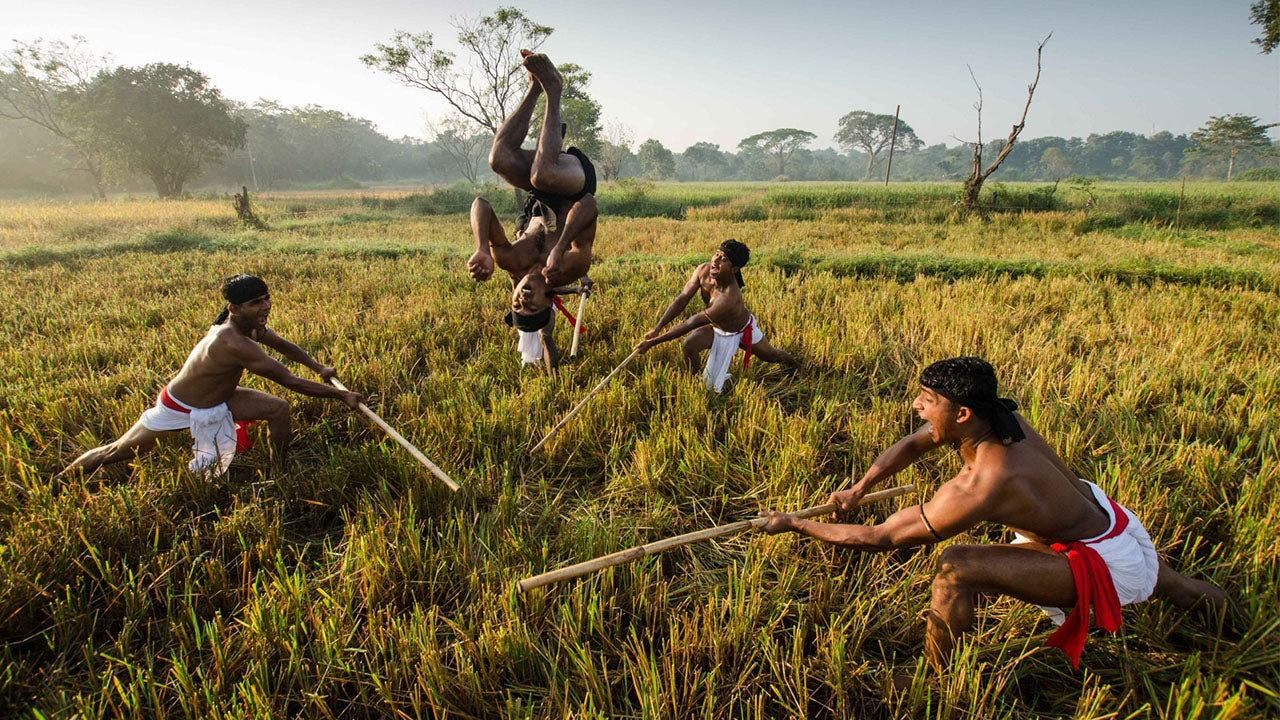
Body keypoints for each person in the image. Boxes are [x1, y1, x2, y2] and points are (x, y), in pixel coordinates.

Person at [758, 357, 1226, 670]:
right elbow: (915, 443)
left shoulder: (984, 483)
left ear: (962, 414)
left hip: (1099, 561)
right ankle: (1235, 617)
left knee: (956, 567)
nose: (917, 405)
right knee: (1173, 584)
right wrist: (861, 487)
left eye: (927, 399)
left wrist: (794, 522)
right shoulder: (1004, 420)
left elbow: (883, 538)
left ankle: (936, 675)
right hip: (1111, 523)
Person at [58, 274, 364, 479]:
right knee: (118, 451)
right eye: (256, 303)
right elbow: (289, 380)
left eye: (266, 298)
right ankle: (60, 480)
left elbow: (282, 345)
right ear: (234, 308)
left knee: (278, 409)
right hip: (181, 406)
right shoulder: (232, 341)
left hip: (223, 397)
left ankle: (279, 474)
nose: (265, 306)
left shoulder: (249, 326)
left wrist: (318, 367)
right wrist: (342, 396)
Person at [468, 50, 597, 368]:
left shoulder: (511, 260)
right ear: (548, 300)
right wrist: (561, 246)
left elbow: (481, 205)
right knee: (543, 173)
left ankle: (534, 88)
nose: (522, 300)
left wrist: (482, 247)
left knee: (499, 159)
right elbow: (589, 205)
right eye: (531, 306)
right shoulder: (570, 267)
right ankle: (554, 88)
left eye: (517, 305)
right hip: (574, 184)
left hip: (539, 191)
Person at [635, 240, 799, 391]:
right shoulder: (702, 271)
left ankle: (797, 366)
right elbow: (683, 299)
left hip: (741, 330)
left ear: (734, 270)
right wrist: (657, 329)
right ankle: (696, 383)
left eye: (724, 259)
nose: (716, 260)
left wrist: (652, 343)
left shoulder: (729, 298)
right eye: (717, 254)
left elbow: (690, 323)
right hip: (716, 328)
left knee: (772, 356)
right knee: (690, 345)